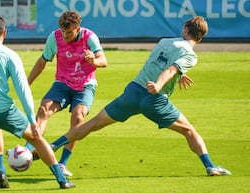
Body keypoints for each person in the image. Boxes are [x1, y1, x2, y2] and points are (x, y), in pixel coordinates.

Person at [49, 16, 231, 176]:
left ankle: (54, 145)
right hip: (154, 99)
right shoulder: (190, 54)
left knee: (93, 123)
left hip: (133, 92)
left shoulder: (164, 42)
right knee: (189, 130)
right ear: (201, 37)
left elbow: (160, 64)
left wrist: (179, 75)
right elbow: (170, 68)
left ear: (185, 29)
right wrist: (160, 84)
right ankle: (210, 166)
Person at [0, 15, 75, 189]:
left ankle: (1, 172)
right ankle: (62, 180)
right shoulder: (9, 54)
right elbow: (23, 89)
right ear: (5, 32)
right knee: (36, 138)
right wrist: (32, 120)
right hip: (4, 112)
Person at [24, 10, 107, 176]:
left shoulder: (89, 37)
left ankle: (62, 163)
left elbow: (103, 61)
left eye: (69, 33)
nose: (65, 36)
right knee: (44, 110)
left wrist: (93, 61)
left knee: (78, 117)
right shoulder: (54, 37)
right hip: (62, 83)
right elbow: (42, 62)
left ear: (77, 29)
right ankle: (28, 150)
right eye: (63, 32)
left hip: (85, 85)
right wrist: (26, 84)